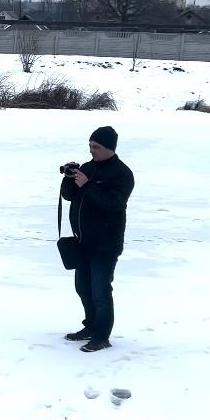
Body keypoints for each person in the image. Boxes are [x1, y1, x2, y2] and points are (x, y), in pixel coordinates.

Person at [60, 125, 135, 352]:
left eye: (96, 146)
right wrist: (69, 179)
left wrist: (88, 185)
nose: (91, 150)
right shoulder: (88, 168)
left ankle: (102, 336)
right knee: (83, 288)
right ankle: (90, 327)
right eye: (90, 145)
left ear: (109, 148)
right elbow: (69, 196)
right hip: (82, 241)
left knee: (100, 291)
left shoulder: (122, 173)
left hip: (106, 243)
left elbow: (114, 203)